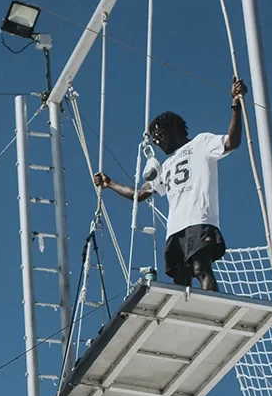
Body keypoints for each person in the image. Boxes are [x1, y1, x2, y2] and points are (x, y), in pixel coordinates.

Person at [94, 77, 249, 291]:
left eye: (158, 136)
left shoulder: (200, 143)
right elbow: (140, 194)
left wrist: (236, 106)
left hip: (198, 219)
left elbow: (232, 141)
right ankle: (189, 319)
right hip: (175, 228)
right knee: (180, 281)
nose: (157, 143)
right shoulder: (165, 166)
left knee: (200, 268)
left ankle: (211, 312)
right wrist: (109, 183)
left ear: (172, 130)